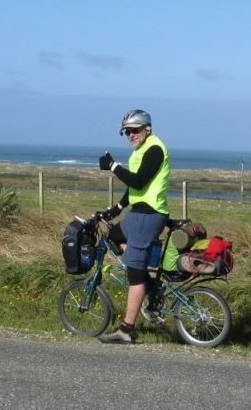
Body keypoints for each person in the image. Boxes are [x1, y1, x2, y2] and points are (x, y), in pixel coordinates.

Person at [96, 109, 170, 344]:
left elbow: (139, 181)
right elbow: (136, 189)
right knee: (112, 234)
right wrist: (116, 209)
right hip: (138, 214)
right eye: (126, 132)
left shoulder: (155, 149)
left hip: (148, 216)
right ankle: (150, 286)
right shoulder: (142, 150)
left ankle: (126, 330)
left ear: (147, 129)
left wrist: (113, 167)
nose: (130, 135)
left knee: (134, 274)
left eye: (134, 130)